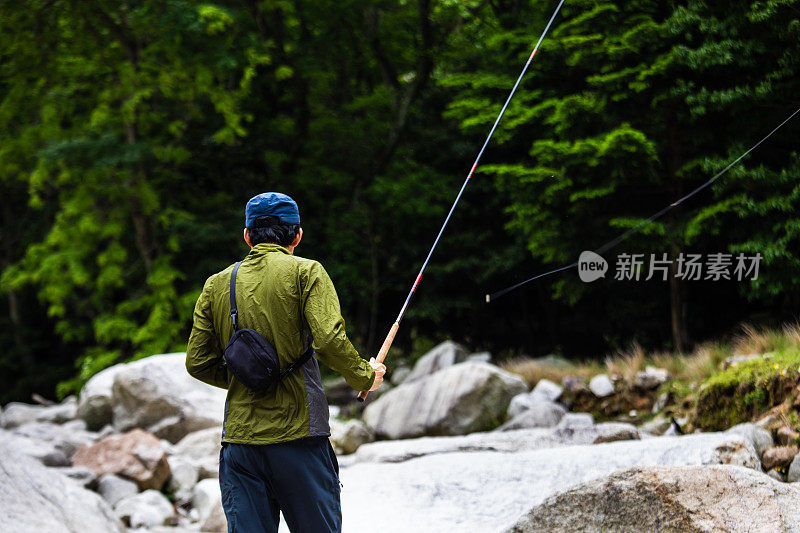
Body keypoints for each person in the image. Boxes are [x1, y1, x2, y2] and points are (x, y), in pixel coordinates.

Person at [186, 192, 386, 533]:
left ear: (247, 236)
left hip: (240, 447)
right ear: (297, 235)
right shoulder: (307, 272)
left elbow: (198, 362)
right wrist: (366, 376)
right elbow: (328, 341)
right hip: (300, 441)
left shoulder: (216, 284)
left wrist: (248, 377)